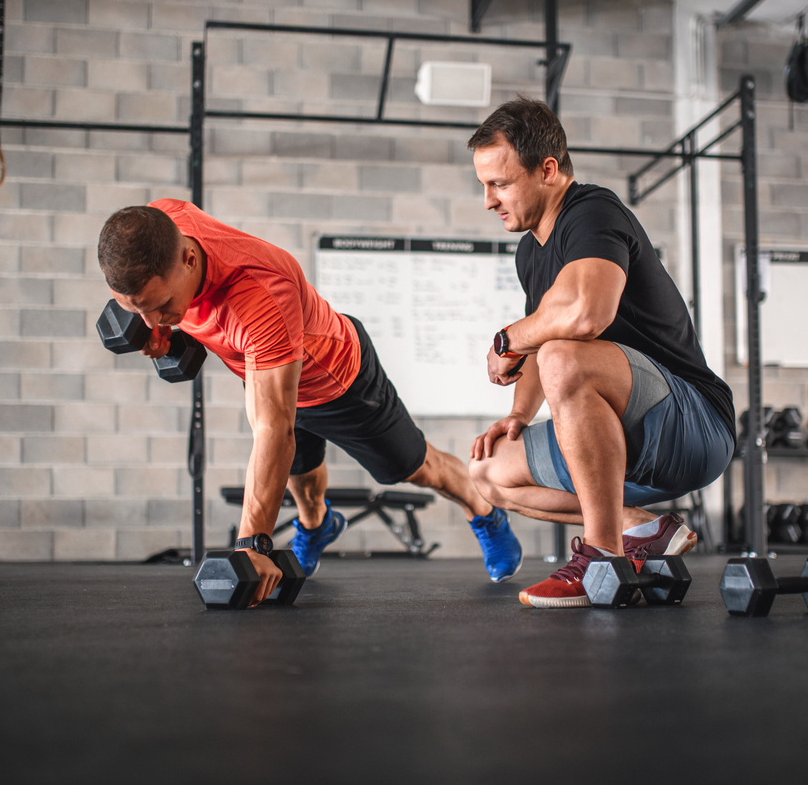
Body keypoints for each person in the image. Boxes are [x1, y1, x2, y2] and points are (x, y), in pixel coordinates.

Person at [97, 200, 522, 606]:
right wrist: (163, 325)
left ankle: (484, 511)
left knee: (414, 468)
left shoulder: (261, 294)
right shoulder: (159, 224)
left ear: (189, 259)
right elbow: (273, 422)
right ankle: (317, 526)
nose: (150, 321)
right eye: (138, 309)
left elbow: (272, 431)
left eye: (163, 305)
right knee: (299, 472)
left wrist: (251, 545)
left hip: (339, 379)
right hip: (265, 371)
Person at [466, 97, 735, 608]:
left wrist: (506, 340)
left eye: (499, 183)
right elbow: (546, 336)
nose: (488, 200)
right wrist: (518, 414)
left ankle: (602, 557)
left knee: (565, 355)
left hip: (692, 426)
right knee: (488, 471)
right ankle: (643, 529)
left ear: (548, 170)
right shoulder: (530, 251)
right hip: (625, 442)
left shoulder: (592, 210)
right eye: (483, 185)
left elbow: (585, 315)